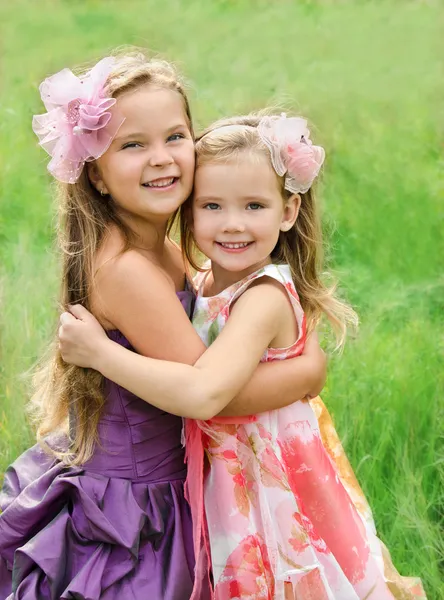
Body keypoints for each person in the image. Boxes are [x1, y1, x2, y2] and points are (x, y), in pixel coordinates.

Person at [59, 113, 426, 599]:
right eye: (212, 205)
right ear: (190, 212)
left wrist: (101, 354)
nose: (233, 225)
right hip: (233, 478)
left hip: (272, 488)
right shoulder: (207, 277)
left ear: (289, 211)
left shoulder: (263, 296)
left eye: (254, 205)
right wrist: (308, 369)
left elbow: (204, 392)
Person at [0, 52, 326, 600]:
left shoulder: (160, 247)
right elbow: (211, 393)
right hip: (135, 508)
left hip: (144, 485)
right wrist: (307, 368)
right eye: (132, 145)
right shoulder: (127, 269)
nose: (161, 159)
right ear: (95, 174)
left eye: (175, 137)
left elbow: (215, 307)